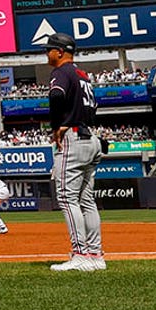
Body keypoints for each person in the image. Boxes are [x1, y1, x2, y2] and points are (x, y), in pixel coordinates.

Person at [44, 32, 105, 272]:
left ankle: (80, 254)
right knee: (86, 200)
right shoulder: (83, 75)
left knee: (68, 199)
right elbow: (93, 108)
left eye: (49, 49)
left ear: (59, 52)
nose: (46, 54)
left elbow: (56, 95)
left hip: (73, 140)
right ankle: (96, 255)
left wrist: (58, 125)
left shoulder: (61, 72)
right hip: (91, 137)